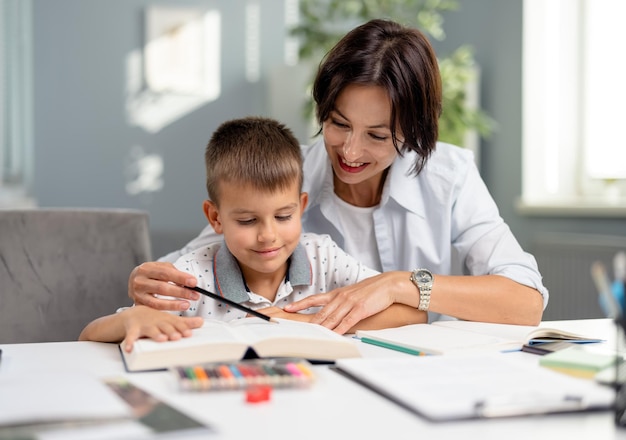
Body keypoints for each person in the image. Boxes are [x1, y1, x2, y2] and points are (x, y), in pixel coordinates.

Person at [127, 19, 549, 335]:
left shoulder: (449, 175)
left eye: (378, 135)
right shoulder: (289, 179)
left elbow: (525, 302)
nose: (349, 152)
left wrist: (401, 285)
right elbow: (191, 266)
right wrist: (148, 281)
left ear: (413, 131)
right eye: (339, 123)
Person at [79, 116, 424, 351]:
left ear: (302, 206)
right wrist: (131, 320)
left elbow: (413, 313)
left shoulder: (324, 257)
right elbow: (88, 337)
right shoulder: (192, 275)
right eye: (247, 221)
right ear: (215, 218)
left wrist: (306, 322)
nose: (268, 236)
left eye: (284, 215)